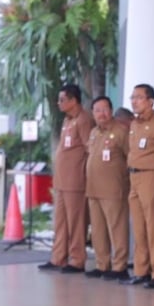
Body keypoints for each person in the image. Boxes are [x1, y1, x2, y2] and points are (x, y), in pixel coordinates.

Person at [120, 84, 154, 289]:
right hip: (134, 177)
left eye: (139, 97)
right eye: (132, 97)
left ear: (150, 101)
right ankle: (142, 270)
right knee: (139, 226)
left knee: (153, 224)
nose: (134, 101)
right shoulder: (134, 124)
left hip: (152, 176)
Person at [38, 84, 94, 273]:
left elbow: (90, 149)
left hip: (75, 181)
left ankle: (77, 259)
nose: (58, 103)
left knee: (76, 222)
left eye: (62, 99)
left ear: (72, 100)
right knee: (60, 221)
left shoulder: (84, 119)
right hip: (62, 181)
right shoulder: (67, 120)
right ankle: (58, 257)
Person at [84, 96, 130, 281]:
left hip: (113, 189)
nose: (101, 114)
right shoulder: (94, 132)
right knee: (97, 230)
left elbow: (130, 157)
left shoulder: (121, 131)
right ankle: (102, 264)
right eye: (97, 110)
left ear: (111, 111)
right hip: (93, 189)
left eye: (105, 110)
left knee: (116, 228)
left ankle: (120, 266)